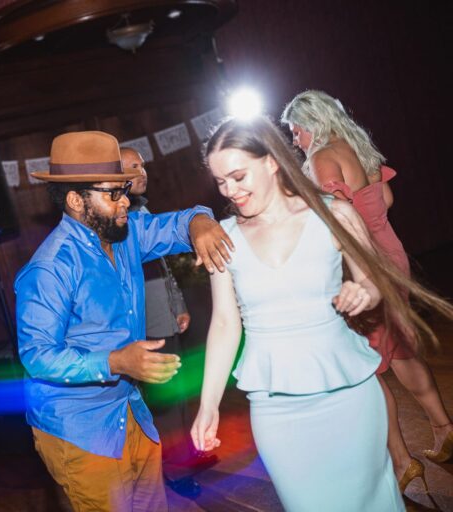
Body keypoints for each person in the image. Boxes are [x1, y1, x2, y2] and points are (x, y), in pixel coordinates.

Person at [192, 116, 453, 510]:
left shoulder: (334, 214)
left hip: (348, 394)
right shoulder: (224, 238)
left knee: (371, 502)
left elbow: (374, 281)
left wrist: (363, 292)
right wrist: (208, 404)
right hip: (275, 406)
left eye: (238, 176)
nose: (231, 190)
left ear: (272, 161)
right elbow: (226, 324)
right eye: (221, 182)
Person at [16, 131, 233, 511]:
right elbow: (38, 357)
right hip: (80, 428)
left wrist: (199, 221)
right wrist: (115, 362)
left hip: (129, 409)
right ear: (76, 200)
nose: (126, 202)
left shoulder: (126, 235)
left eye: (125, 190)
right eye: (113, 193)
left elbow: (177, 224)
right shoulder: (51, 268)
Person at [282, 90, 453, 480]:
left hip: (361, 269)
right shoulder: (358, 147)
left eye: (296, 131)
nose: (295, 140)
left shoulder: (321, 159)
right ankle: (444, 428)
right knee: (402, 349)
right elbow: (386, 199)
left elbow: (335, 221)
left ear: (312, 125)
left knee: (367, 367)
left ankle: (401, 460)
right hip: (392, 254)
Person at [122, 147, 216, 494]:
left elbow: (163, 268)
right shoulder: (120, 219)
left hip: (166, 317)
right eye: (132, 166)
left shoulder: (142, 210)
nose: (141, 171)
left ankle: (187, 456)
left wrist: (179, 305)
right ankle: (176, 472)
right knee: (164, 402)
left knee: (177, 394)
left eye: (142, 164)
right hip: (147, 325)